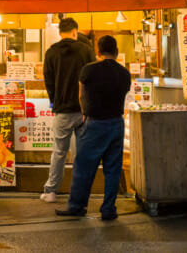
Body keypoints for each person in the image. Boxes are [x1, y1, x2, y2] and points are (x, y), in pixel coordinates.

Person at [55, 35, 132, 221]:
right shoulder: (124, 73)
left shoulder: (88, 70)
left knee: (83, 167)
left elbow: (81, 95)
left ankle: (77, 206)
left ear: (98, 52)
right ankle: (108, 209)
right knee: (113, 169)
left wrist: (84, 114)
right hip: (116, 123)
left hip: (95, 123)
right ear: (116, 52)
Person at [40, 16, 95, 203]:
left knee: (59, 152)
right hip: (83, 111)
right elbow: (92, 80)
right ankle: (81, 193)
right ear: (75, 32)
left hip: (62, 111)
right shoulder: (86, 51)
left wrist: (55, 100)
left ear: (60, 32)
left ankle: (51, 192)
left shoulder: (51, 53)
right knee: (83, 153)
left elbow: (48, 81)